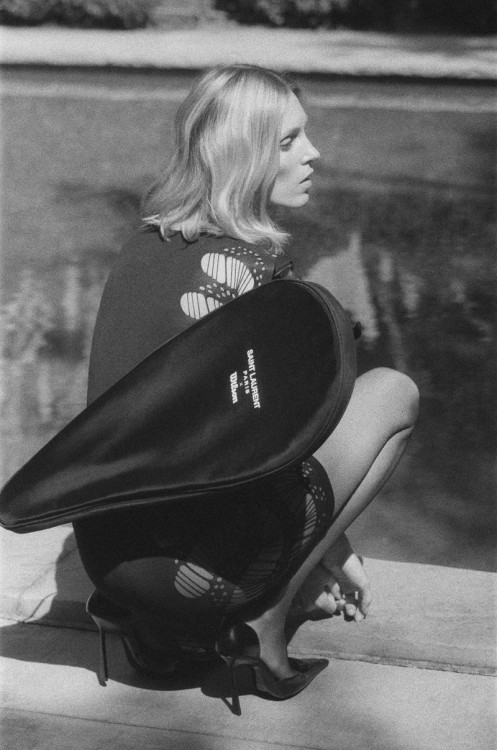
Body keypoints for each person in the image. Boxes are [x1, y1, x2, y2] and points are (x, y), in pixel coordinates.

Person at [73, 64, 419, 707]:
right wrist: (332, 552)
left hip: (112, 566)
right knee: (393, 392)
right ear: (244, 155)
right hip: (193, 574)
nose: (313, 153)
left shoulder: (142, 246)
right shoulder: (253, 270)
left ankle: (163, 633)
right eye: (288, 141)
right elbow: (279, 452)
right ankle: (263, 621)